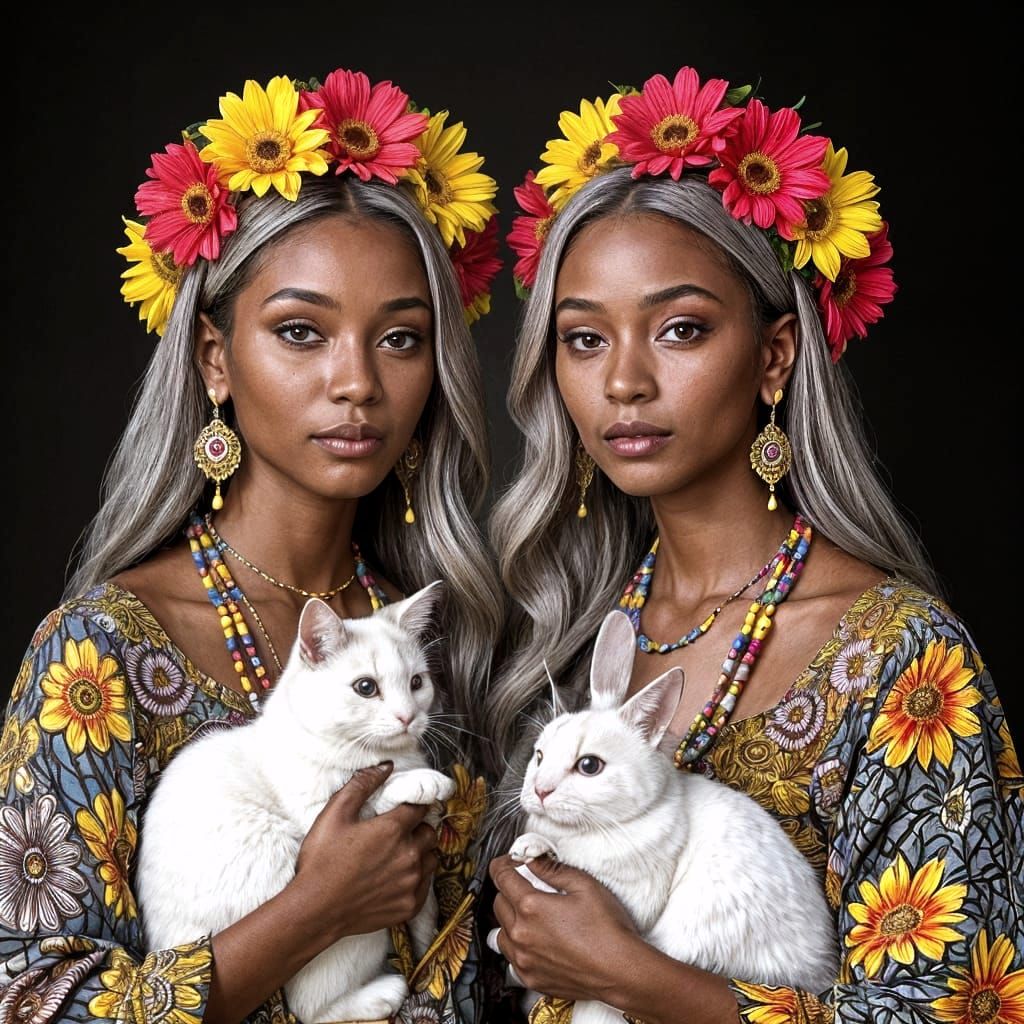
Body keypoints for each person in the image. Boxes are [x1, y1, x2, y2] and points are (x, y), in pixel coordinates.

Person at [483, 65, 1024, 1024]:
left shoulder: (899, 658)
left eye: (680, 329)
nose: (626, 384)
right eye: (584, 339)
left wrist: (629, 974)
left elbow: (960, 1014)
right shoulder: (561, 629)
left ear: (774, 355)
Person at [0, 66, 505, 1024]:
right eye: (302, 332)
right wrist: (315, 905)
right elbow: (32, 1003)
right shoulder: (102, 649)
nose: (356, 381)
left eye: (400, 339)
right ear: (215, 361)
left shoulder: (443, 640)